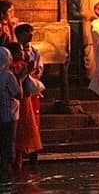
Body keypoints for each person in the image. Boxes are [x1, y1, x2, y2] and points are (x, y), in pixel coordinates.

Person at [7, 43, 42, 172]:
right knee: (19, 134)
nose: (22, 53)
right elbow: (17, 90)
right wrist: (23, 75)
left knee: (28, 131)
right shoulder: (11, 69)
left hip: (26, 102)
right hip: (17, 104)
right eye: (19, 51)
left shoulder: (23, 64)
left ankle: (28, 164)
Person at [0, 47, 19, 176]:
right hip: (8, 116)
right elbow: (18, 93)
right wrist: (22, 79)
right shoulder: (8, 75)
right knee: (8, 142)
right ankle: (7, 171)